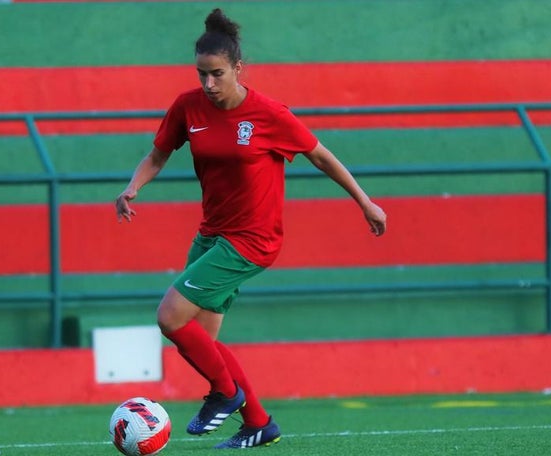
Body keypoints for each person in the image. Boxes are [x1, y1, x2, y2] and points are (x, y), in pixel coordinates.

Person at [115, 8, 387, 450]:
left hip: (252, 241)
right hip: (211, 236)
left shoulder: (268, 114)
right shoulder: (188, 106)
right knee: (201, 340)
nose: (208, 83)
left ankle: (225, 394)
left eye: (217, 73)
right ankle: (258, 422)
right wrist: (132, 187)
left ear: (238, 68)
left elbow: (321, 155)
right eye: (202, 74)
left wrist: (365, 201)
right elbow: (159, 153)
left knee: (169, 317)